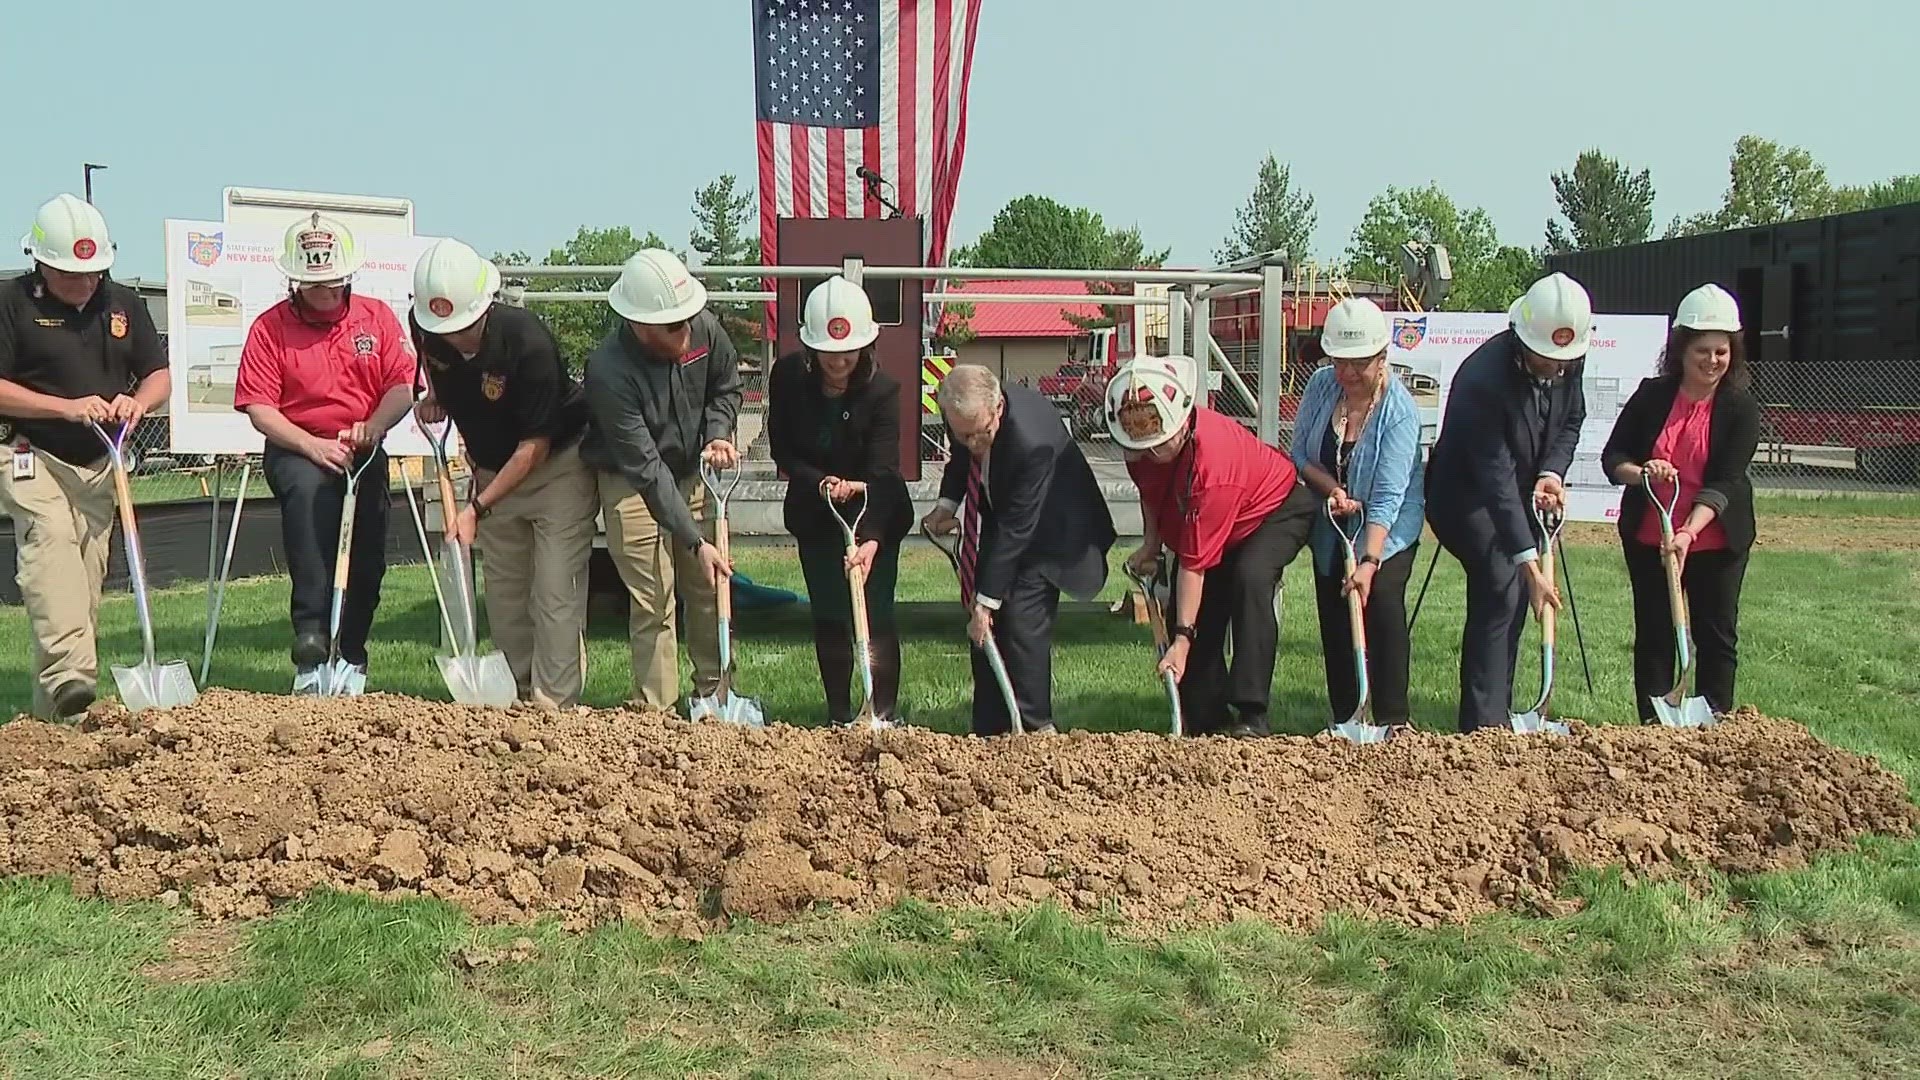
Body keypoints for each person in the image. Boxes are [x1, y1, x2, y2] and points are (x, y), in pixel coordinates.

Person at [0, 193, 170, 719]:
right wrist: (64, 409)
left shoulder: (123, 304)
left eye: (96, 272)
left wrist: (136, 402)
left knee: (84, 584)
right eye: (75, 274)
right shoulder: (10, 304)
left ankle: (56, 724)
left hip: (100, 463)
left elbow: (157, 374)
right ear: (42, 263)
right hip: (30, 452)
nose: (88, 282)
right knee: (49, 548)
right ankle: (72, 676)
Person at [408, 237, 598, 710]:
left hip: (557, 469)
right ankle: (512, 697)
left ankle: (555, 706)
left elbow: (535, 446)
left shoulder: (526, 341)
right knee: (507, 594)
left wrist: (477, 507)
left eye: (465, 326)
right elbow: (436, 365)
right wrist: (436, 396)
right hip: (491, 469)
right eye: (445, 329)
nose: (455, 337)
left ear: (485, 305)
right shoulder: (425, 327)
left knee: (554, 593)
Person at [233, 212, 417, 690]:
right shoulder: (269, 329)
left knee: (369, 551)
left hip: (362, 442)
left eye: (335, 283)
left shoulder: (376, 317)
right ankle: (311, 637)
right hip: (298, 444)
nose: (328, 294)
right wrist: (311, 445)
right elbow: (259, 407)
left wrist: (373, 427)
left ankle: (352, 653)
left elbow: (401, 386)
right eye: (316, 286)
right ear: (295, 282)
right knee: (310, 506)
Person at [1108, 355, 1316, 737]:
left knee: (1250, 578)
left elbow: (1194, 564)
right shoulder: (1140, 447)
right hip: (1214, 519)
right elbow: (1151, 494)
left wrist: (1182, 641)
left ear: (1184, 422)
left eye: (1159, 445)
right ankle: (1206, 719)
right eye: (1143, 447)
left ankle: (1252, 714)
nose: (1149, 455)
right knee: (1197, 607)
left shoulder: (1213, 465)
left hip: (1272, 508)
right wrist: (1151, 546)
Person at [1424, 271, 1589, 733]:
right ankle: (1484, 726)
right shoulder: (1482, 379)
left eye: (1565, 360)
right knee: (1503, 579)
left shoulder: (1566, 355)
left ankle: (1505, 701)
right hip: (1465, 496)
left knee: (1516, 588)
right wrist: (1530, 567)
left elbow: (1572, 418)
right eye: (1548, 359)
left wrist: (1551, 473)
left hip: (1520, 488)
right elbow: (1494, 480)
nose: (1558, 369)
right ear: (1521, 336)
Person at [579, 248, 741, 712]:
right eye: (674, 326)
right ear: (639, 324)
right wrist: (693, 539)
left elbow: (726, 387)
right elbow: (646, 469)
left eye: (689, 318)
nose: (687, 332)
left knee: (708, 587)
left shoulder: (704, 329)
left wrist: (717, 434)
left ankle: (714, 692)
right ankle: (658, 712)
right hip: (631, 482)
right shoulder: (608, 371)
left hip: (692, 473)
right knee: (654, 598)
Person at [921, 364, 1113, 735]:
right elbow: (963, 457)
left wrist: (986, 600)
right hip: (1005, 516)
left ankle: (1035, 728)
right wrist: (946, 506)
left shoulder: (1030, 441)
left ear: (998, 409)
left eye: (982, 434)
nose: (974, 443)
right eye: (964, 434)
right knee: (983, 632)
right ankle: (990, 731)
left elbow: (1017, 530)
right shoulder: (965, 412)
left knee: (1020, 627)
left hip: (1052, 532)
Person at [1601, 283, 1761, 723]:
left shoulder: (1740, 408)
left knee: (1716, 635)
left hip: (1714, 539)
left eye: (1722, 351)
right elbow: (1613, 458)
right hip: (1650, 536)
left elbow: (1726, 481)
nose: (1713, 361)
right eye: (1702, 351)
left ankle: (1714, 722)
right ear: (1681, 350)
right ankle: (1653, 728)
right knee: (1654, 634)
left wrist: (1689, 531)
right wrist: (1643, 473)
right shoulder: (1651, 396)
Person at [766, 276, 910, 726]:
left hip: (874, 513)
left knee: (875, 615)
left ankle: (880, 714)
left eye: (848, 352)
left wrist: (871, 539)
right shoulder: (788, 378)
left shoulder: (884, 391)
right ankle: (838, 714)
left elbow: (885, 468)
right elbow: (782, 448)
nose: (839, 360)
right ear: (811, 348)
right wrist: (821, 482)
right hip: (817, 512)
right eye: (828, 352)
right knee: (829, 615)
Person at [1290, 299, 1425, 731]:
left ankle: (1392, 717)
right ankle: (1347, 714)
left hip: (1389, 524)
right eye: (1339, 362)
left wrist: (1369, 562)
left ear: (1382, 358)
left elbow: (1387, 497)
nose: (1346, 373)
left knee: (1380, 601)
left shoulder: (1399, 413)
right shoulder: (1321, 385)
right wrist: (1332, 490)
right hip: (1334, 517)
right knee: (1334, 607)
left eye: (1359, 364)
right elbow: (1301, 454)